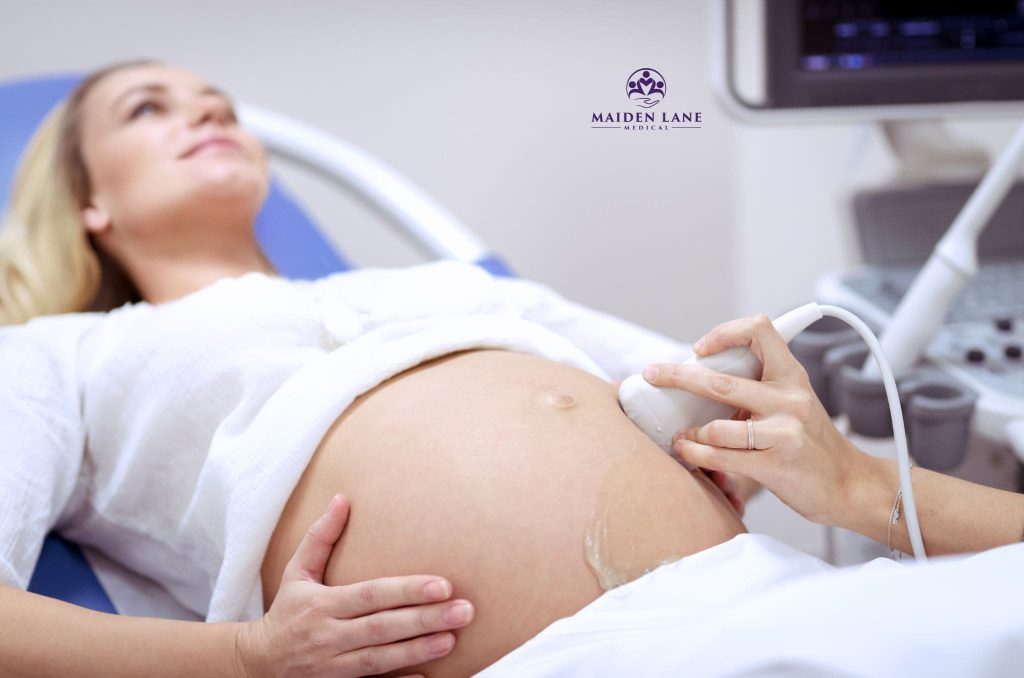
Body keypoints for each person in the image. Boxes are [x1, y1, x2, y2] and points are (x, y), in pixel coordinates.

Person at [0, 58, 746, 677]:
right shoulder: (61, 352)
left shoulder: (451, 284)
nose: (209, 117)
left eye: (221, 107)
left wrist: (734, 454)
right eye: (146, 109)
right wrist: (244, 656)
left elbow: (724, 388)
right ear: (88, 200)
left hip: (746, 597)